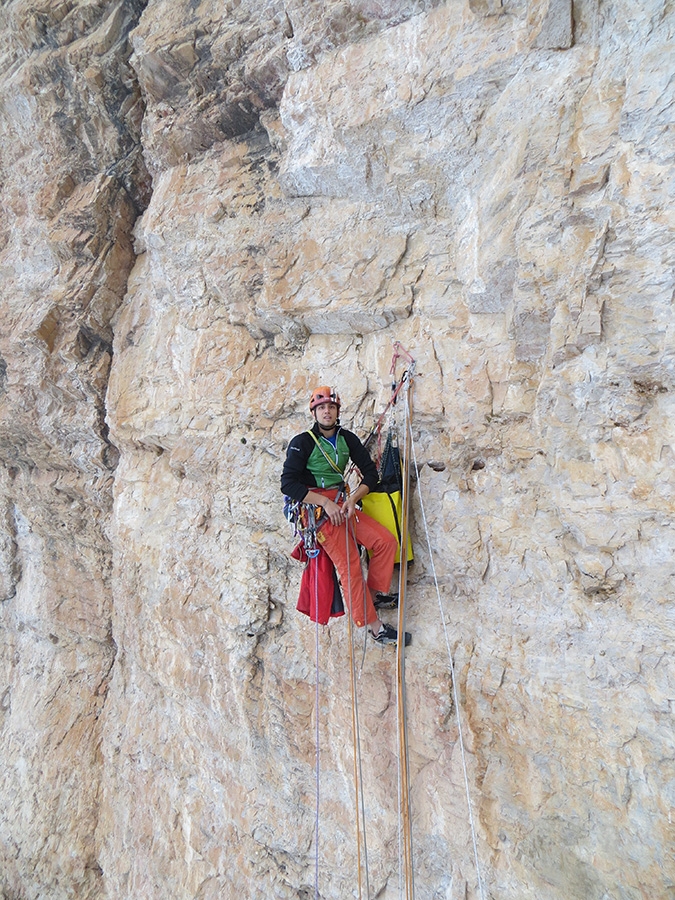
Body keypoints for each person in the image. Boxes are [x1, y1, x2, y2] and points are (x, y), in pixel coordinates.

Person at [281, 386, 411, 645]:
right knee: (350, 566)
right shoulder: (302, 442)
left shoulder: (346, 438)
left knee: (385, 542)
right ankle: (374, 627)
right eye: (321, 408)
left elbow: (370, 474)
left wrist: (353, 499)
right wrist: (324, 504)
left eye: (330, 407)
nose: (326, 411)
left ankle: (371, 597)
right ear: (314, 412)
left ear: (337, 411)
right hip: (317, 511)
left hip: (343, 504)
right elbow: (288, 484)